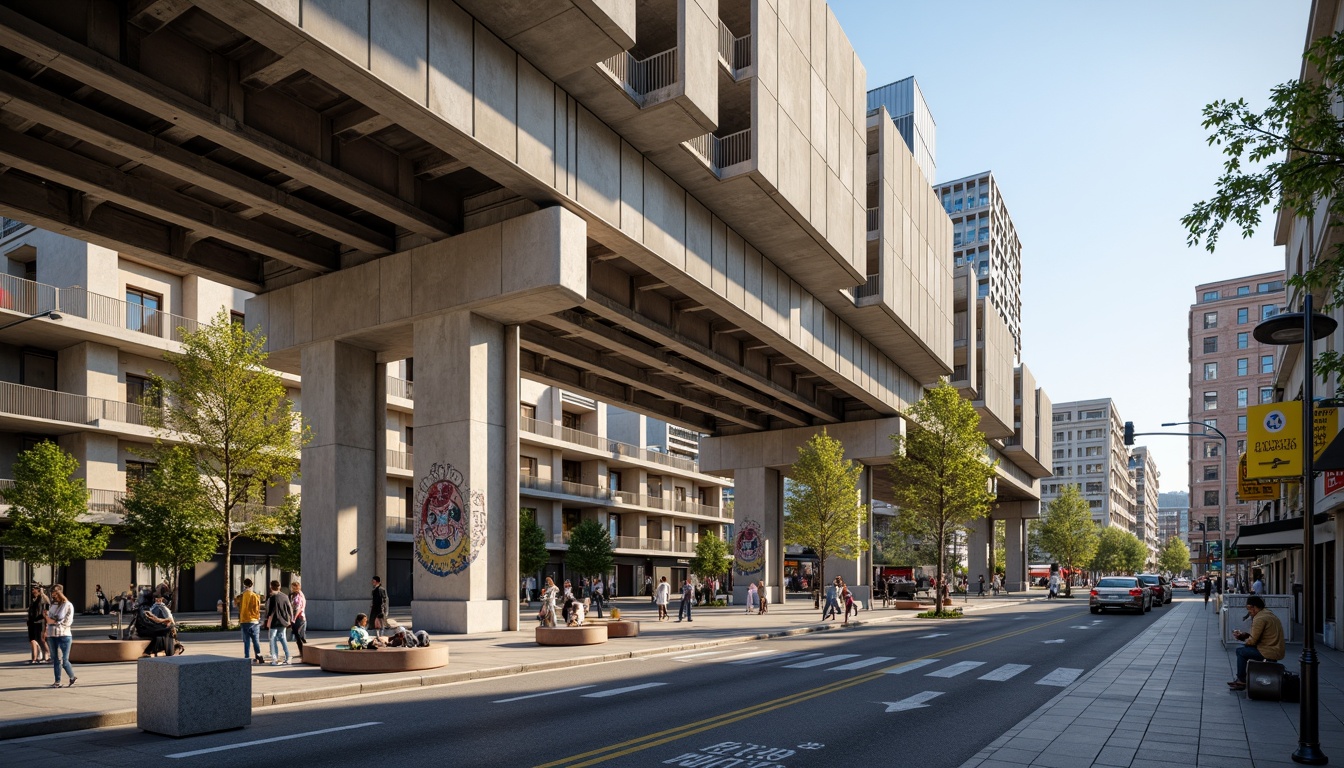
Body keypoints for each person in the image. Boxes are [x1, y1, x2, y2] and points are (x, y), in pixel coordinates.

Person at [1228, 595, 1286, 691]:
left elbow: (1253, 641)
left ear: (1254, 607)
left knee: (1240, 651)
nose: (1249, 612)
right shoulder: (1268, 613)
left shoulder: (1259, 618)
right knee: (1244, 648)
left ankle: (1241, 680)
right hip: (1276, 649)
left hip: (1268, 651)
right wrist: (1246, 636)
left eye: (1249, 608)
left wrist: (1241, 638)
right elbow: (1259, 636)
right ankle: (1242, 679)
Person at [45, 584, 75, 688]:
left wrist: (51, 620)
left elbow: (62, 620)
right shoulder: (53, 605)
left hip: (64, 635)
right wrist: (48, 624)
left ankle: (72, 676)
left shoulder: (67, 605)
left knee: (64, 660)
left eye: (54, 593)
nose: (53, 596)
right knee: (56, 659)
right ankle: (57, 681)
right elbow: (48, 619)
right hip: (52, 634)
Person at [264, 580, 294, 665]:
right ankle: (288, 657)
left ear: (271, 587)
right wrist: (291, 619)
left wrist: (266, 620)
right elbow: (289, 608)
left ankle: (275, 658)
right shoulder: (285, 596)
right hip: (283, 621)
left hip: (274, 621)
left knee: (272, 639)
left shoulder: (272, 597)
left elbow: (269, 611)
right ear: (279, 587)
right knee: (283, 639)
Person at [234, 578, 263, 664]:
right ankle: (258, 656)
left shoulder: (241, 596)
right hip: (254, 620)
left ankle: (247, 657)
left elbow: (235, 603)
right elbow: (258, 608)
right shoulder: (256, 596)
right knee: (256, 641)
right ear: (252, 585)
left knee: (246, 641)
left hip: (244, 620)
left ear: (244, 585)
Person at [27, 584, 49, 664]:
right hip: (32, 622)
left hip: (40, 622)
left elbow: (47, 602)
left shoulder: (42, 599)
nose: (33, 591)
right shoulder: (33, 600)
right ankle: (35, 657)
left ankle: (46, 654)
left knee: (41, 639)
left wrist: (42, 593)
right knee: (34, 639)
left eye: (34, 589)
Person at [289, 581, 307, 656]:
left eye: (293, 587)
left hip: (299, 618)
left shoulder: (298, 596)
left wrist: (294, 618)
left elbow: (298, 608)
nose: (292, 589)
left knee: (299, 636)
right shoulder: (299, 594)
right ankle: (303, 652)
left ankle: (303, 652)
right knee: (299, 636)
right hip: (300, 618)